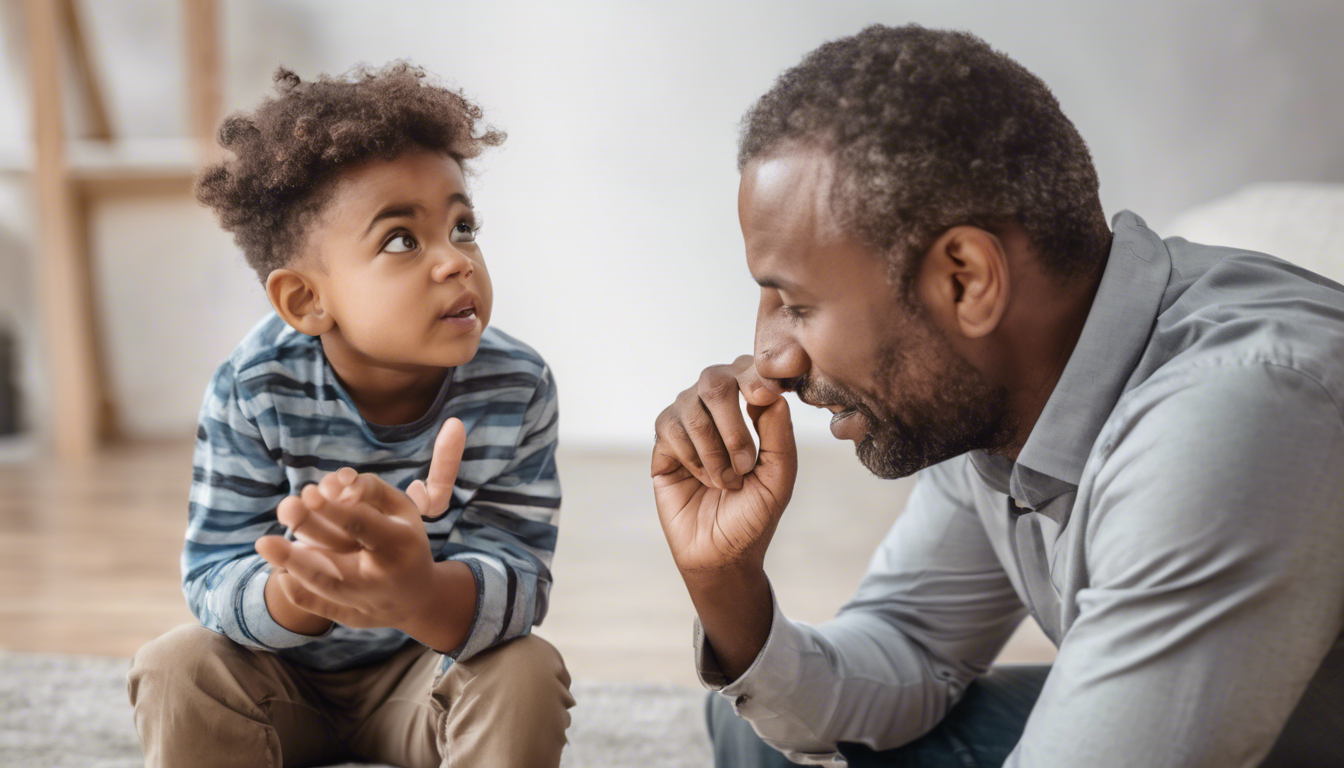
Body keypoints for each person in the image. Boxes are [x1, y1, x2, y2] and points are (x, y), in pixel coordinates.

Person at [651, 24, 1344, 768]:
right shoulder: (1002, 391)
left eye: (794, 302)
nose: (770, 358)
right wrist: (725, 580)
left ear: (965, 280)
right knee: (754, 732)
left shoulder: (1234, 415)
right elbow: (908, 651)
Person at [126, 63, 573, 768]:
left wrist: (413, 591)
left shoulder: (517, 386)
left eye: (463, 226)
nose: (455, 261)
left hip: (422, 676)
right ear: (306, 301)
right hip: (279, 683)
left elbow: (518, 582)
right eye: (403, 239)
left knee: (524, 670)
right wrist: (309, 588)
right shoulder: (253, 388)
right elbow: (213, 577)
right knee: (176, 666)